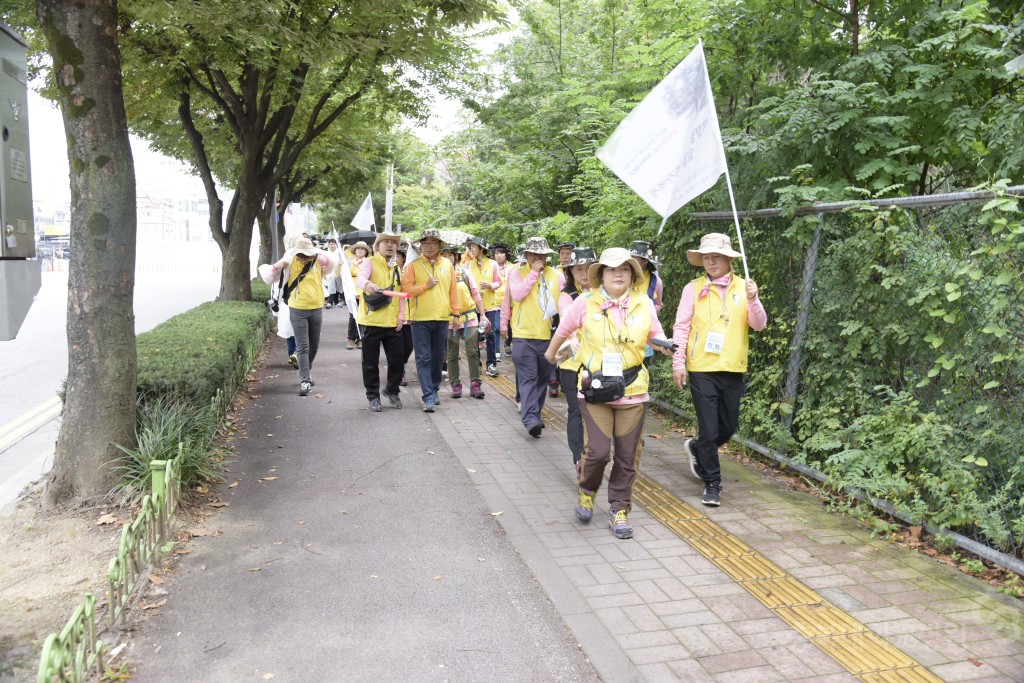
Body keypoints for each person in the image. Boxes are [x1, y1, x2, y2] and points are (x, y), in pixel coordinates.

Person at [545, 247, 673, 539]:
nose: (618, 273)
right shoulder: (585, 303)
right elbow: (563, 330)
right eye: (611, 269)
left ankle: (619, 509)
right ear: (601, 275)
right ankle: (587, 491)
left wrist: (668, 345)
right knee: (599, 452)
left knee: (628, 456)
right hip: (595, 391)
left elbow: (657, 334)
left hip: (633, 389)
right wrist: (552, 355)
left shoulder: (644, 303)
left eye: (625, 269)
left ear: (632, 275)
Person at [672, 233, 767, 507]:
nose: (710, 261)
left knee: (728, 427)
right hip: (702, 367)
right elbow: (681, 326)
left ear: (728, 258)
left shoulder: (744, 287)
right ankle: (712, 483)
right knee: (710, 429)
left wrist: (754, 299)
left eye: (716, 256)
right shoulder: (693, 288)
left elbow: (759, 325)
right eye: (706, 257)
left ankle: (696, 447)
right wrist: (678, 362)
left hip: (732, 367)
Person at [268, 237, 338, 396]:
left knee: (315, 345)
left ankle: (306, 370)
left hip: (316, 308)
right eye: (301, 254)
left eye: (307, 254)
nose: (304, 257)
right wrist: (276, 266)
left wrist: (321, 256)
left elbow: (331, 263)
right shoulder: (290, 262)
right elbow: (269, 276)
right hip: (297, 308)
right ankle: (305, 380)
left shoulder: (318, 261)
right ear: (296, 253)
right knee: (303, 346)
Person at [508, 237, 561, 437]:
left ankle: (535, 414)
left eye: (542, 255)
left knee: (542, 378)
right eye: (534, 254)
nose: (539, 258)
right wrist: (532, 274)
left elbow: (562, 302)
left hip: (548, 336)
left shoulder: (556, 275)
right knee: (528, 377)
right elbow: (517, 296)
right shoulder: (517, 274)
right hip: (523, 336)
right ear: (527, 256)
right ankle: (530, 418)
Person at [402, 229, 460, 412]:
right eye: (425, 243)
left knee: (437, 358)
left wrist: (456, 313)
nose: (428, 247)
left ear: (439, 246)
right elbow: (407, 291)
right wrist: (425, 286)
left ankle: (434, 389)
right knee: (423, 358)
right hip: (420, 319)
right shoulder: (413, 265)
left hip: (442, 318)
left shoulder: (447, 265)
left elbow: (453, 291)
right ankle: (427, 395)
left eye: (433, 243)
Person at [557, 246, 597, 473]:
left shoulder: (605, 293)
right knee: (576, 409)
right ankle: (578, 457)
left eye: (588, 268)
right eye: (578, 269)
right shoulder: (567, 296)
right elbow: (566, 319)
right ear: (570, 271)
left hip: (596, 362)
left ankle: (595, 452)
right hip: (571, 361)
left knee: (594, 411)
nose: (583, 273)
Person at [356, 232, 406, 412]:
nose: (391, 245)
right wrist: (368, 285)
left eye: (393, 243)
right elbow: (361, 278)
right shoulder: (369, 262)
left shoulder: (397, 268)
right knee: (370, 362)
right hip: (371, 321)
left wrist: (402, 315)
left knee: (398, 361)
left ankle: (392, 390)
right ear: (378, 246)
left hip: (393, 323)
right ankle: (373, 396)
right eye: (386, 242)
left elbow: (400, 294)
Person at [443, 245, 489, 399]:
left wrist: (483, 315)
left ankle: (475, 384)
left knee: (472, 351)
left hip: (470, 318)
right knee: (452, 354)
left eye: (450, 255)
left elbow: (476, 295)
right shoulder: (440, 276)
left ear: (455, 257)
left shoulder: (465, 273)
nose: (448, 258)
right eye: (444, 255)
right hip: (450, 320)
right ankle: (455, 384)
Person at [464, 236, 503, 377]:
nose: (471, 250)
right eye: (470, 247)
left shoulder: (493, 264)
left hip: (490, 306)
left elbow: (499, 282)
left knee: (490, 334)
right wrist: (472, 293)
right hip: (474, 307)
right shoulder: (467, 266)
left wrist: (490, 286)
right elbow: (463, 286)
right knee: (475, 337)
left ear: (481, 248)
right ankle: (478, 365)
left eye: (473, 247)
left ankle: (491, 364)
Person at [346, 241, 371, 349]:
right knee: (353, 316)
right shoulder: (349, 261)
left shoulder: (369, 262)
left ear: (366, 251)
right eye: (358, 248)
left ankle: (361, 338)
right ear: (355, 250)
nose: (360, 250)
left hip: (364, 292)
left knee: (363, 316)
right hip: (352, 291)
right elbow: (343, 276)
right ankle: (351, 338)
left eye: (363, 248)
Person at [395, 246, 413, 386]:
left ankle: (401, 364)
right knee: (397, 346)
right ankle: (399, 371)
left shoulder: (410, 271)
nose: (395, 259)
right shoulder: (392, 273)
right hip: (396, 315)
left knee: (409, 346)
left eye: (398, 256)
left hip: (411, 316)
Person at [492, 243, 513, 357]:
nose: (499, 256)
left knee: (510, 325)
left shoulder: (513, 267)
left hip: (509, 301)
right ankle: (497, 350)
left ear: (506, 255)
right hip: (495, 301)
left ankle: (507, 343)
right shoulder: (491, 267)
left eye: (501, 253)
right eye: (497, 253)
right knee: (496, 327)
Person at [324, 238, 340, 308]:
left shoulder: (339, 253)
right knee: (331, 286)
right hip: (329, 272)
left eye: (333, 244)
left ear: (336, 245)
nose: (332, 246)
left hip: (338, 271)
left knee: (337, 286)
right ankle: (330, 302)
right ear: (328, 245)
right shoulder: (326, 253)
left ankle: (336, 301)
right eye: (331, 244)